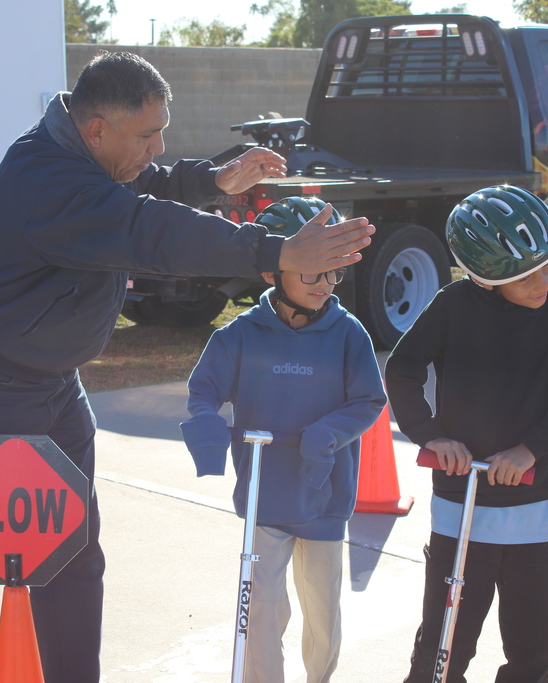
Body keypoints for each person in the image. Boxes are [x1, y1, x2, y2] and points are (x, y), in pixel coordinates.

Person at [0, 53, 374, 683]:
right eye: (147, 135)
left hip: (54, 385)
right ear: (97, 129)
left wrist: (215, 180)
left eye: (162, 130)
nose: (158, 147)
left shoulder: (89, 158)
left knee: (74, 550)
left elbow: (146, 187)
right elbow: (147, 229)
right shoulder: (46, 180)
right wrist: (273, 250)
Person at [384, 185, 548, 683]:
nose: (546, 279)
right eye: (528, 275)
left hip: (538, 505)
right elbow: (402, 371)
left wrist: (531, 450)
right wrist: (431, 436)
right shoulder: (453, 306)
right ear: (486, 278)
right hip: (462, 505)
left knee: (534, 648)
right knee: (442, 649)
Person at [179, 197, 386, 683]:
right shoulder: (240, 336)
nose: (325, 285)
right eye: (313, 273)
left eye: (333, 273)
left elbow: (368, 402)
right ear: (274, 273)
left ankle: (320, 679)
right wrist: (207, 428)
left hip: (324, 495)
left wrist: (326, 434)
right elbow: (202, 392)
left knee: (323, 616)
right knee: (261, 613)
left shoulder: (348, 334)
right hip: (264, 497)